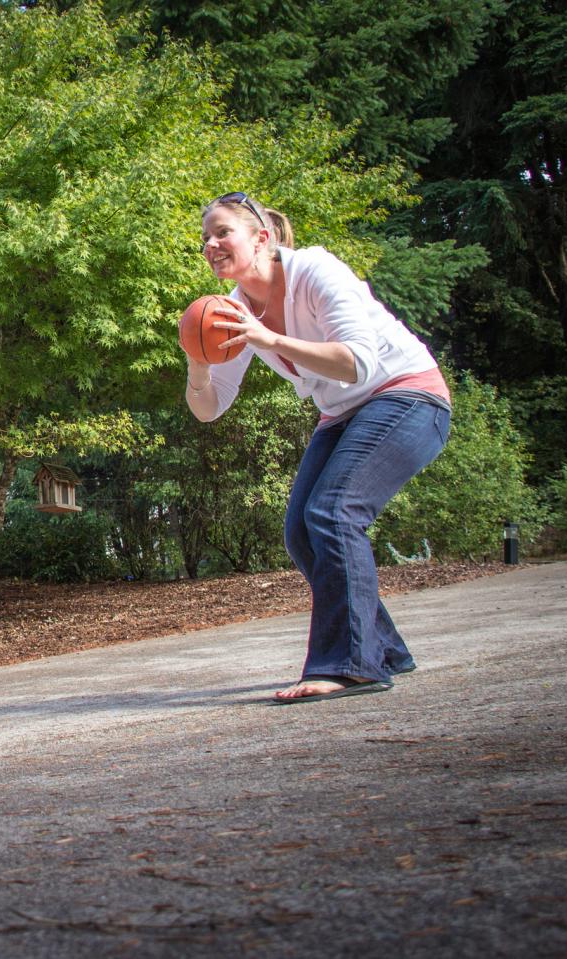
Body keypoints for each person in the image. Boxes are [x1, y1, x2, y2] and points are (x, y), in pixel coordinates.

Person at [185, 192, 450, 705]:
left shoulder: (315, 270)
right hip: (344, 414)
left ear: (261, 237)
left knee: (333, 511)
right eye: (205, 239)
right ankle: (382, 649)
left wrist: (269, 339)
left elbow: (358, 365)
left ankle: (349, 666)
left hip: (409, 396)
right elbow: (210, 406)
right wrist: (198, 363)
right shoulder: (232, 309)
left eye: (222, 233)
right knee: (301, 534)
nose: (211, 245)